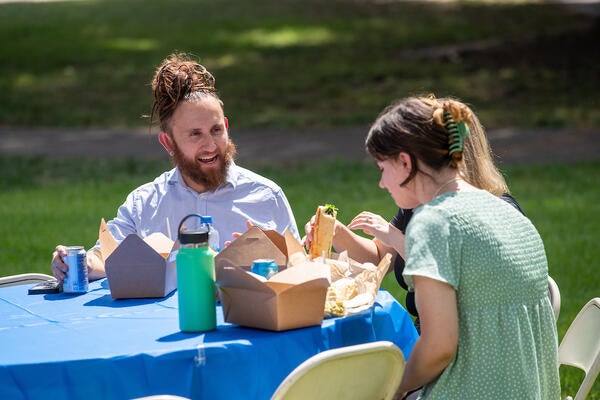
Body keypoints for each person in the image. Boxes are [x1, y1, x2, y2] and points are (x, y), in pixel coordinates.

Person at [360, 96, 559, 399]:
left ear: (405, 162)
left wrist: (395, 388)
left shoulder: (434, 222)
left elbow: (438, 347)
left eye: (382, 169)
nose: (381, 184)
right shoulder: (505, 212)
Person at [51, 52, 299, 282]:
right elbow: (105, 257)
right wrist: (73, 264)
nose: (210, 145)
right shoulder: (144, 204)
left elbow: (302, 270)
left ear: (226, 125)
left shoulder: (266, 196)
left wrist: (273, 260)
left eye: (216, 130)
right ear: (168, 142)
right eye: (195, 134)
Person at [303, 96, 524, 332]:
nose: (381, 183)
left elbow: (459, 289)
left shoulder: (493, 213)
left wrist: (396, 238)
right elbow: (379, 258)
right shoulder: (419, 208)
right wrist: (338, 233)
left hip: (465, 344)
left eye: (384, 168)